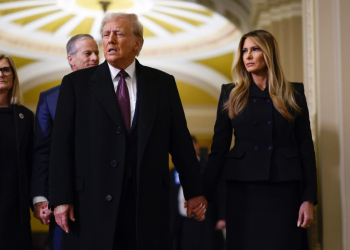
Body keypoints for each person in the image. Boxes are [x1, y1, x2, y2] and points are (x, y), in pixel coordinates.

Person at [49, 13, 207, 250]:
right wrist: (61, 199)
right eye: (106, 34)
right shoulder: (76, 84)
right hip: (91, 202)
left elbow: (180, 141)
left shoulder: (162, 83)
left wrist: (194, 191)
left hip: (147, 203)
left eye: (118, 33)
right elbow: (61, 145)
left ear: (137, 43)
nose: (110, 40)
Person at [203, 30, 317, 250]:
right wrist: (202, 195)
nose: (248, 56)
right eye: (244, 51)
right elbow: (218, 149)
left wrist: (309, 199)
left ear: (269, 53)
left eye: (254, 49)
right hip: (243, 190)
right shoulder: (231, 94)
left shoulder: (293, 93)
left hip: (284, 190)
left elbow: (306, 149)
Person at [30, 34, 99, 249]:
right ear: (71, 59)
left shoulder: (117, 93)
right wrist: (40, 197)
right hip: (64, 197)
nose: (95, 58)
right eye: (88, 53)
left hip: (104, 194)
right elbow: (43, 152)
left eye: (97, 53)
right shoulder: (49, 99)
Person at [0, 54, 34, 249]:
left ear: (13, 76)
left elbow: (32, 161)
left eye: (6, 69)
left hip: (15, 209)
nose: (1, 74)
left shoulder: (25, 117)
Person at [170, 136, 226, 250]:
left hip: (205, 221)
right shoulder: (174, 172)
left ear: (197, 146)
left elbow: (220, 193)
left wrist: (222, 217)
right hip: (183, 223)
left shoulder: (210, 168)